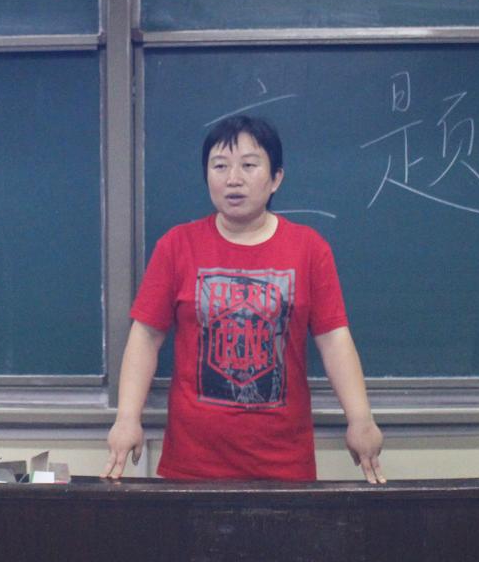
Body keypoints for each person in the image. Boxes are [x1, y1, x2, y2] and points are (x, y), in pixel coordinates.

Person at [102, 115, 384, 482]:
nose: (233, 179)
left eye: (249, 165)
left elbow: (333, 339)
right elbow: (145, 336)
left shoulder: (309, 248)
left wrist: (360, 419)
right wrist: (127, 418)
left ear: (276, 178)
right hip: (192, 462)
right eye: (220, 166)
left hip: (283, 462)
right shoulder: (177, 245)